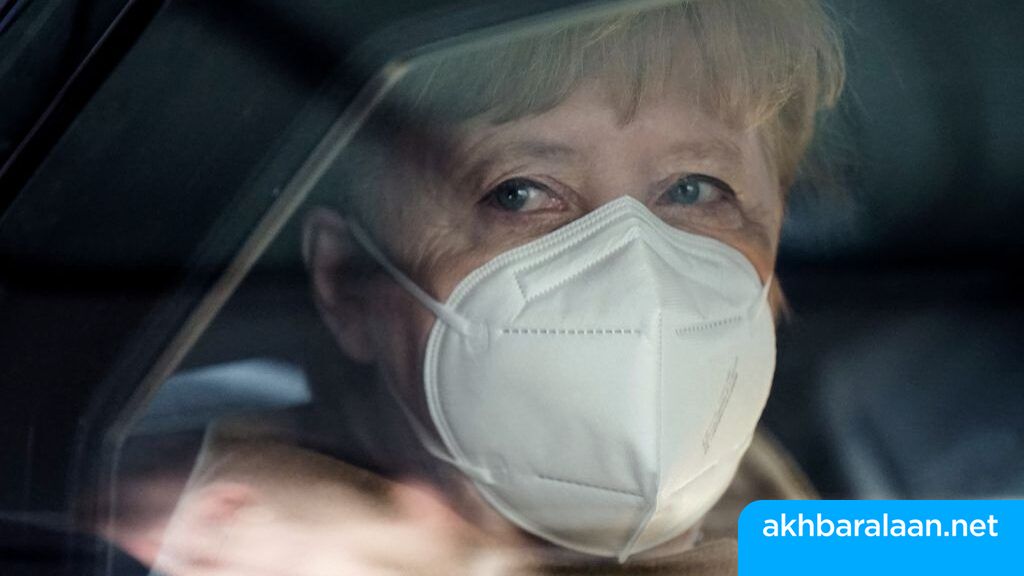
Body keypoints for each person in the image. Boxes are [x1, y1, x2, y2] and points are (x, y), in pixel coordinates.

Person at [133, 0, 845, 573]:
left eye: (693, 189)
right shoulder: (196, 529)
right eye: (519, 193)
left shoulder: (774, 503)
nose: (639, 275)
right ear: (349, 282)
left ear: (772, 266)